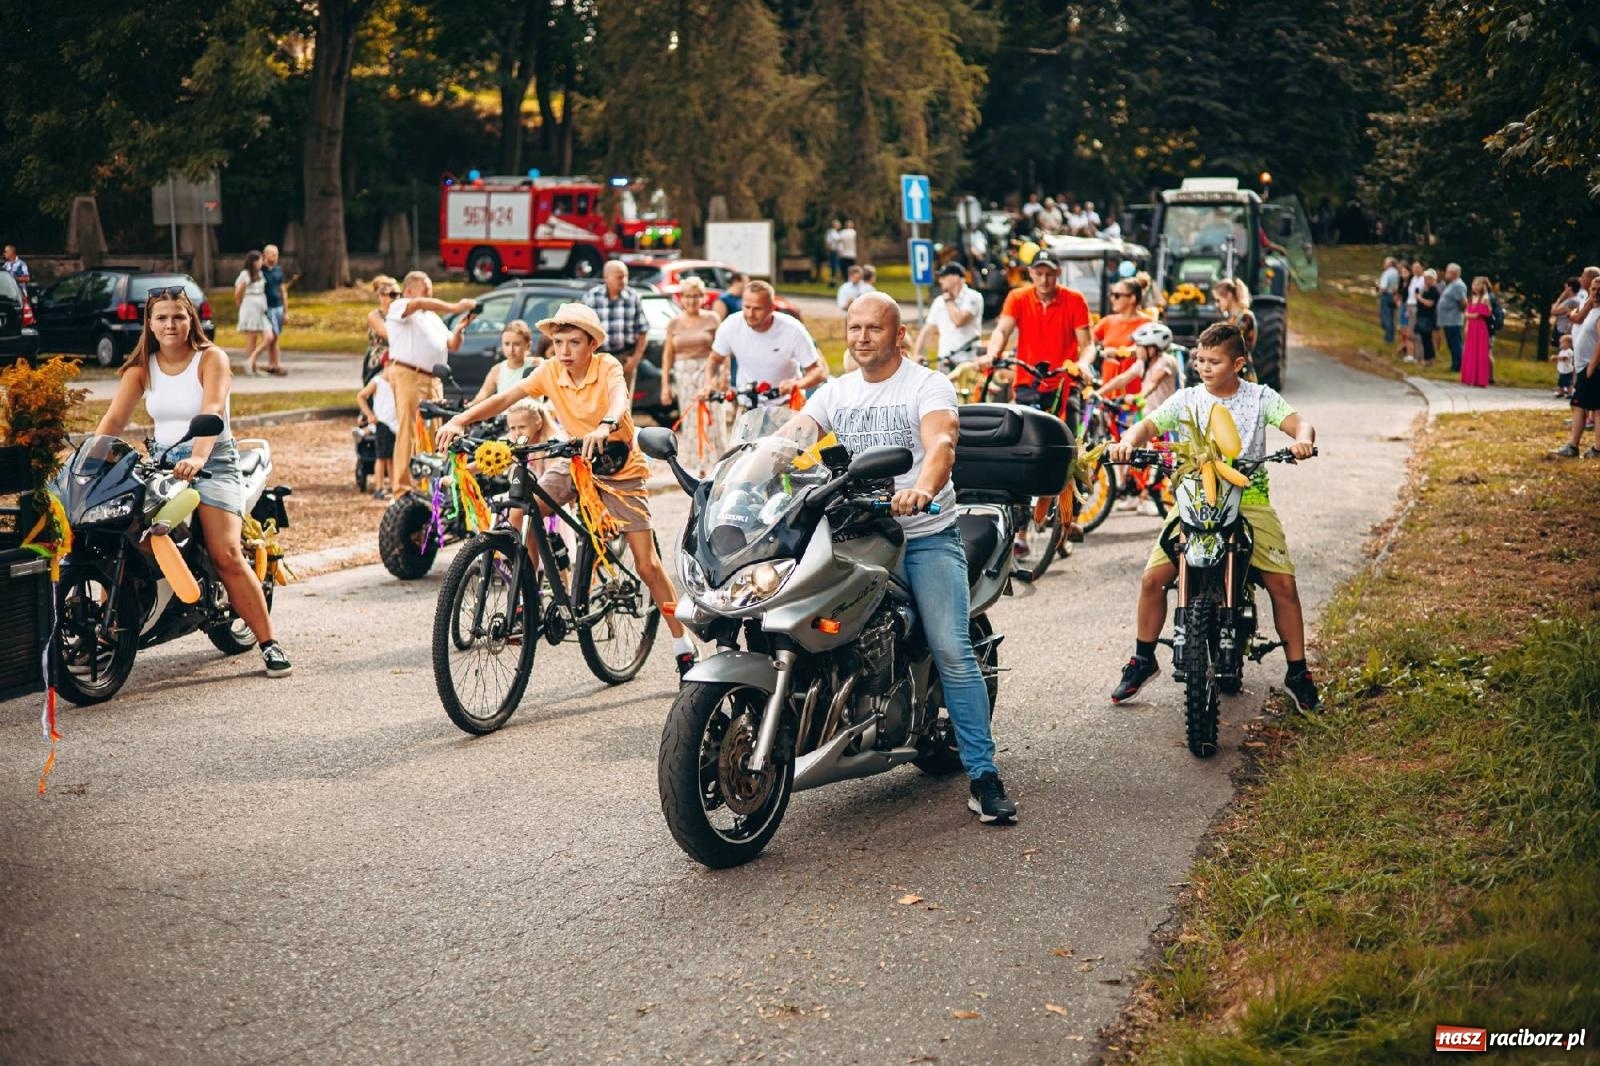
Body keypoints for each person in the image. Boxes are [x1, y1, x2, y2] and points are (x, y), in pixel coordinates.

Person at [788, 291, 1016, 824]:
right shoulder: (836, 393)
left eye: (874, 328)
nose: (862, 337)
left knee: (953, 650)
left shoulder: (927, 385)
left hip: (923, 535)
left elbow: (941, 444)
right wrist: (744, 477)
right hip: (855, 537)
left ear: (899, 335)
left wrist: (923, 488)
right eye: (855, 328)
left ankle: (983, 777)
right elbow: (790, 439)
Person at [434, 303, 698, 676]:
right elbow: (504, 399)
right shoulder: (549, 371)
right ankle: (529, 595)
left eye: (574, 342)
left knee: (646, 565)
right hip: (574, 460)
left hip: (618, 466)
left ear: (591, 344)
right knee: (521, 512)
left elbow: (620, 399)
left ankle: (682, 645)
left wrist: (605, 425)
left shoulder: (607, 366)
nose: (565, 351)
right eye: (558, 342)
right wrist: (460, 420)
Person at [1107, 321, 1318, 712]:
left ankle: (1298, 672)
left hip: (1248, 497)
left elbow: (1298, 422)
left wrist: (1302, 440)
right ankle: (1142, 657)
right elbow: (1147, 425)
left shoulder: (1259, 397)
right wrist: (1127, 443)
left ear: (1238, 363)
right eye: (1200, 360)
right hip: (1194, 496)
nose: (1204, 367)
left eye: (1214, 361)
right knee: (1153, 579)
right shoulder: (1187, 399)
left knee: (1283, 585)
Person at [94, 288, 291, 677]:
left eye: (179, 317)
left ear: (191, 320)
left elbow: (212, 410)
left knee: (226, 553)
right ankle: (109, 632)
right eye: (162, 318)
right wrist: (87, 461)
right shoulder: (141, 368)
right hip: (162, 463)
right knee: (117, 535)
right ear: (149, 323)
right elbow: (113, 421)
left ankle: (269, 643)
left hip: (214, 459)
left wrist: (199, 456)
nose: (171, 325)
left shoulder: (210, 359)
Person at [978, 248, 1093, 543]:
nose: (1044, 279)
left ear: (1058, 274)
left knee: (1073, 450)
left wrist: (1082, 364)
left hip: (1064, 382)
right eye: (1038, 273)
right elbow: (1002, 330)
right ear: (1031, 274)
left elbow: (1087, 344)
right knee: (1022, 451)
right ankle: (1020, 530)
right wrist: (992, 353)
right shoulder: (1018, 297)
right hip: (1028, 381)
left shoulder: (1074, 300)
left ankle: (1071, 516)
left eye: (1049, 273)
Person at [385, 271, 477, 495]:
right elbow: (418, 303)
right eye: (425, 287)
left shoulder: (432, 318)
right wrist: (456, 307)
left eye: (430, 287)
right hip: (408, 374)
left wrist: (459, 329)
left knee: (438, 430)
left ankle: (433, 483)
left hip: (434, 378)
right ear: (409, 290)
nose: (429, 292)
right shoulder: (400, 306)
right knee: (408, 428)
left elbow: (452, 345)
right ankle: (402, 487)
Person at [1098, 320, 1183, 517]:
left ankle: (1147, 498)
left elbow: (1153, 383)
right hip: (1148, 418)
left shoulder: (1166, 362)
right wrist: (1099, 393)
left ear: (1153, 349)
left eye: (1140, 346)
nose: (1136, 350)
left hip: (1167, 420)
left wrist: (1138, 396)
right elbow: (1122, 379)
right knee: (1131, 446)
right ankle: (1136, 494)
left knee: (1162, 460)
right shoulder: (1142, 363)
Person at [706, 280, 826, 405]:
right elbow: (714, 360)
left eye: (757, 309)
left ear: (772, 308)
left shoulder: (792, 329)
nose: (750, 314)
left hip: (786, 403)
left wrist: (796, 384)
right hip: (748, 403)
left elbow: (818, 371)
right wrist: (709, 384)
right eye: (746, 307)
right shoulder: (731, 325)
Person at [660, 277, 724, 471]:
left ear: (703, 297)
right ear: (681, 298)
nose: (692, 300)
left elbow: (723, 350)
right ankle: (698, 467)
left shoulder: (712, 318)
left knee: (713, 418)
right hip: (684, 374)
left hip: (708, 371)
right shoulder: (674, 323)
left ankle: (718, 465)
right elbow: (668, 355)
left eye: (696, 296)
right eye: (687, 296)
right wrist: (665, 386)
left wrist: (724, 377)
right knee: (690, 421)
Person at [581, 260, 649, 392]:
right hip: (598, 358)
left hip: (625, 358)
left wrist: (635, 359)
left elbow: (643, 330)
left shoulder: (633, 297)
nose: (623, 280)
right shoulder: (591, 297)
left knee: (623, 404)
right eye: (619, 277)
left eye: (625, 276)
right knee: (599, 403)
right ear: (607, 278)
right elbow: (581, 330)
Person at [1555, 273, 1600, 458]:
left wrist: (1592, 366)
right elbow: (1578, 318)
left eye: (1599, 290)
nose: (1596, 293)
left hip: (1592, 368)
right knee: (1584, 406)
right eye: (1594, 289)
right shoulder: (1592, 309)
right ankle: (1582, 447)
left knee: (1588, 407)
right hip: (1583, 367)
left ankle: (1581, 447)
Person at [914, 263, 984, 367]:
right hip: (944, 359)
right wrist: (917, 354)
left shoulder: (973, 297)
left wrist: (949, 302)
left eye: (943, 277)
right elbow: (927, 330)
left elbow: (959, 321)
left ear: (955, 277)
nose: (940, 281)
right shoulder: (939, 301)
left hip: (968, 360)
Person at [470, 320, 540, 404]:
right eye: (507, 344)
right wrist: (469, 405)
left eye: (517, 344)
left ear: (528, 345)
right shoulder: (497, 370)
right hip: (504, 416)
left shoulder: (536, 365)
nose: (511, 350)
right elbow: (482, 395)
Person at [356, 368, 399, 500]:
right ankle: (379, 487)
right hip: (383, 423)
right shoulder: (377, 382)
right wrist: (370, 415)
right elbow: (361, 396)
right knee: (381, 458)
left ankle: (394, 486)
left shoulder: (396, 383)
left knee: (391, 458)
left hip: (395, 424)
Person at [233, 251, 272, 377]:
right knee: (252, 337)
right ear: (254, 261)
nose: (262, 262)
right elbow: (238, 291)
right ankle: (252, 367)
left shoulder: (260, 274)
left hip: (261, 306)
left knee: (269, 336)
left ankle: (250, 361)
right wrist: (239, 304)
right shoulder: (245, 275)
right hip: (250, 306)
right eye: (260, 260)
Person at [363, 275, 400, 385]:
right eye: (393, 295)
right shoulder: (375, 316)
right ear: (381, 296)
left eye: (399, 294)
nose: (397, 298)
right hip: (379, 361)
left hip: (399, 358)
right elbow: (388, 335)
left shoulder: (401, 313)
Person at [260, 244, 288, 377]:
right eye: (272, 254)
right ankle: (272, 363)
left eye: (276, 255)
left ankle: (275, 363)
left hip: (278, 307)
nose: (275, 257)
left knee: (276, 337)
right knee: (271, 336)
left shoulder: (278, 271)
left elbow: (283, 291)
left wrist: (285, 310)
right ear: (265, 255)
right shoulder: (260, 271)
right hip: (267, 307)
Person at [1460, 277, 1493, 388]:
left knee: (1479, 352)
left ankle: (1479, 379)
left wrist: (1467, 315)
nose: (1474, 286)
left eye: (1477, 284)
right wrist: (1467, 326)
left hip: (1480, 328)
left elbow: (1478, 315)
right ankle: (1469, 377)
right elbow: (1468, 313)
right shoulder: (1473, 298)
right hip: (1472, 327)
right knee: (1470, 351)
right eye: (1473, 284)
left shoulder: (1485, 298)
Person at [1437, 263, 1468, 372]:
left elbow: (1463, 302)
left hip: (1453, 320)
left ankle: (1458, 366)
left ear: (1454, 273)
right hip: (1448, 320)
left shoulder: (1458, 285)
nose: (1445, 274)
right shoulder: (1451, 284)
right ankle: (1455, 364)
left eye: (1448, 271)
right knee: (1451, 343)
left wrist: (1459, 311)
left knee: (1455, 343)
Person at [1213, 278, 1257, 356]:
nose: (1216, 304)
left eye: (1218, 300)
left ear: (1229, 296)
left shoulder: (1246, 317)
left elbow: (1234, 344)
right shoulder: (1231, 319)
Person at [1402, 259, 1426, 362]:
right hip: (1410, 305)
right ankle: (1412, 354)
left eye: (1417, 267)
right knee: (1410, 331)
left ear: (1422, 268)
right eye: (1414, 267)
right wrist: (1407, 309)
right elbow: (1410, 295)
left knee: (1418, 332)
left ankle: (1420, 355)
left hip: (1417, 306)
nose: (1415, 270)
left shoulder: (1423, 279)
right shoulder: (1413, 279)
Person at [1414, 268, 1440, 366]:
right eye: (1424, 279)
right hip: (1422, 315)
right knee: (1424, 338)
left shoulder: (1434, 291)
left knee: (1427, 339)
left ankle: (1429, 359)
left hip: (1428, 317)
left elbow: (1430, 303)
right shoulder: (1425, 290)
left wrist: (1419, 298)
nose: (1425, 281)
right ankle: (1427, 358)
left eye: (1427, 279)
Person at [1376, 256, 1400, 347]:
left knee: (1385, 317)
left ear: (1389, 264)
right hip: (1394, 296)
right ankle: (1391, 336)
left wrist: (1377, 285)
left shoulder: (1387, 273)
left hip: (1386, 296)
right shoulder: (1397, 273)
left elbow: (1384, 288)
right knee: (1392, 316)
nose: (1384, 264)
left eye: (1385, 262)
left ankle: (1388, 338)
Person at [1551, 334, 1575, 401]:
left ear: (1568, 344)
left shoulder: (1569, 351)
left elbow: (1564, 358)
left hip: (1567, 371)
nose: (1560, 345)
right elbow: (1560, 359)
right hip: (1562, 370)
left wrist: (1555, 357)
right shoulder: (1562, 351)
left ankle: (1570, 393)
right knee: (1560, 382)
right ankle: (1560, 392)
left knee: (1567, 383)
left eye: (1562, 343)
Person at [825, 219, 843, 285]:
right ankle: (833, 280)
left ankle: (835, 280)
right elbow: (828, 242)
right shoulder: (831, 232)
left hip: (837, 251)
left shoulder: (838, 232)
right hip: (833, 251)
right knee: (833, 266)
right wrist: (829, 250)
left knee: (836, 266)